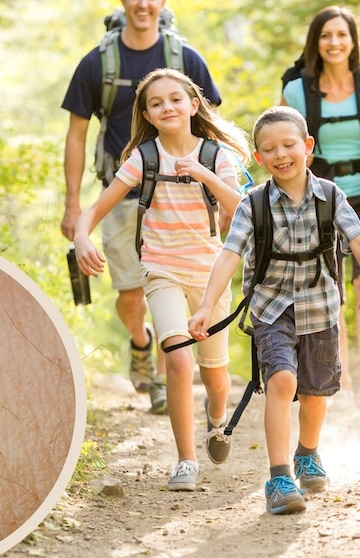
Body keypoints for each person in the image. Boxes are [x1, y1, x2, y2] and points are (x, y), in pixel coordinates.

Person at [188, 106, 360, 515]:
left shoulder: (331, 196)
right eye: (269, 149)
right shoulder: (253, 204)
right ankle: (278, 477)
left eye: (289, 144)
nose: (281, 154)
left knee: (315, 395)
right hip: (271, 308)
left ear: (308, 146)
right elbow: (228, 255)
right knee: (280, 381)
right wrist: (207, 305)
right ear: (258, 158)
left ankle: (307, 453)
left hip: (320, 308)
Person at [74, 68, 250, 492]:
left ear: (193, 105)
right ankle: (186, 461)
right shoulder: (144, 158)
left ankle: (216, 418)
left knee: (215, 376)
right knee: (176, 359)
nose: (167, 107)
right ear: (148, 114)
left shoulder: (216, 156)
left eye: (175, 99)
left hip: (210, 274)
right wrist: (82, 236)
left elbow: (241, 209)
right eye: (156, 103)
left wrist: (204, 174)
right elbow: (94, 210)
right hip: (161, 269)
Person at [61, 0, 223, 414]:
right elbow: (76, 136)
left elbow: (211, 129)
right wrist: (74, 205)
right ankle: (140, 343)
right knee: (131, 295)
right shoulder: (97, 63)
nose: (144, 4)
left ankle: (168, 382)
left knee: (173, 292)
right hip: (124, 189)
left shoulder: (185, 58)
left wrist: (221, 197)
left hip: (182, 196)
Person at [281, 5, 360, 401]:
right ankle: (341, 378)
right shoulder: (297, 91)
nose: (334, 43)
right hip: (320, 194)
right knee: (331, 286)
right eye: (326, 36)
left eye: (341, 35)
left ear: (353, 41)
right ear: (316, 43)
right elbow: (287, 137)